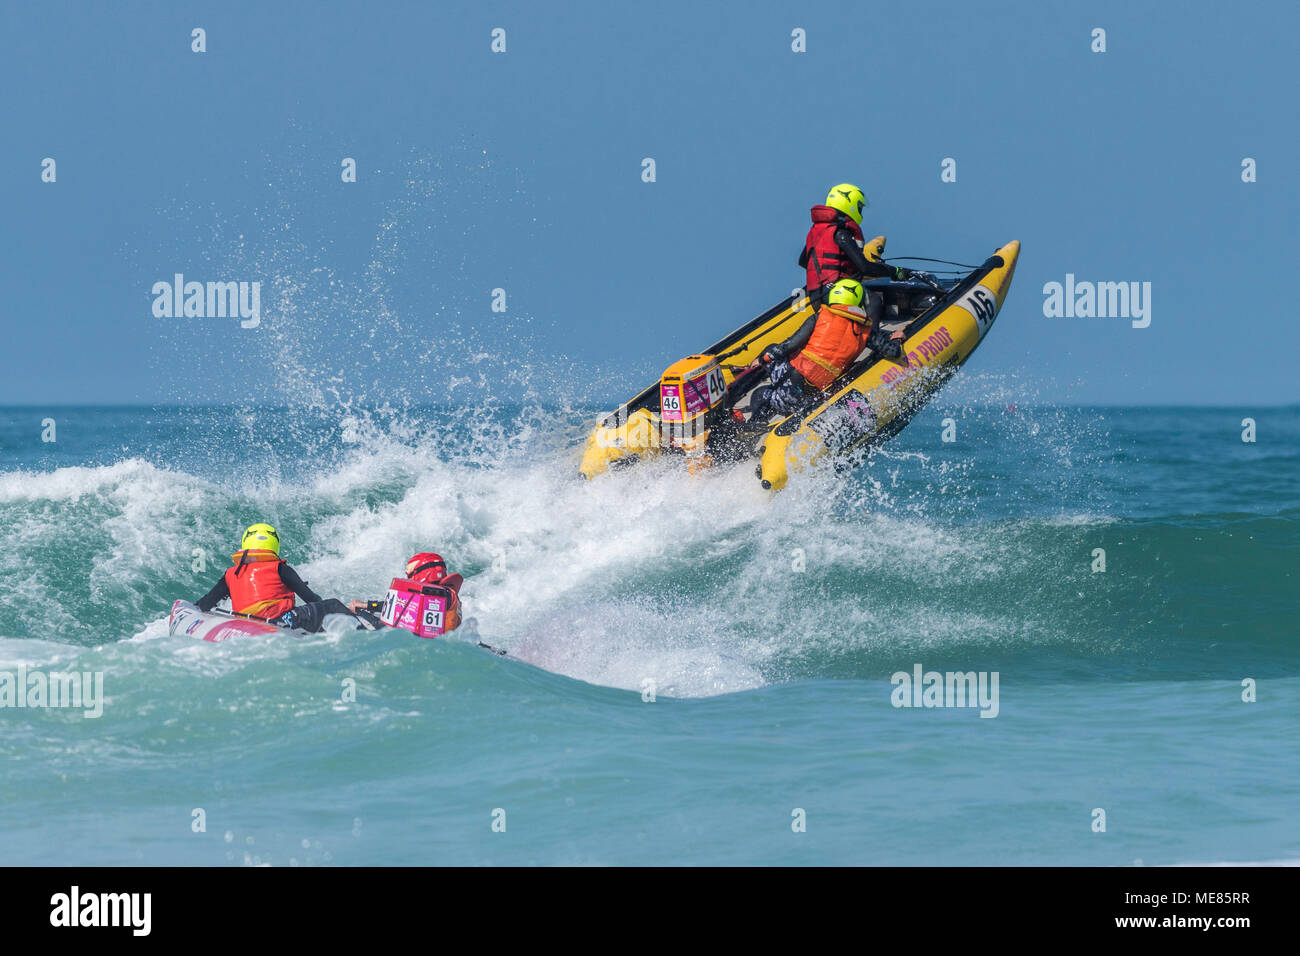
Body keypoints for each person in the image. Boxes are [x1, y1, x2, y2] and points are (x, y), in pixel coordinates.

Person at [748, 278, 902, 421]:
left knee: (760, 392)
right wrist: (897, 338)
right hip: (813, 394)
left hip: (790, 385)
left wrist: (763, 359)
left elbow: (790, 345)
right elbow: (893, 351)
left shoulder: (820, 317)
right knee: (778, 388)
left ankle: (752, 402)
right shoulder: (866, 333)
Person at [194, 523, 374, 632]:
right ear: (274, 544)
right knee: (332, 604)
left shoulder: (231, 573)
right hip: (281, 622)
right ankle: (368, 635)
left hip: (249, 625)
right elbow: (312, 599)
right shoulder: (279, 568)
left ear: (246, 543)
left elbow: (205, 604)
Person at [800, 183, 913, 298]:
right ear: (849, 204)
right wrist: (895, 272)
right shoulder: (840, 232)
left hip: (815, 293)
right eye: (859, 207)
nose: (860, 210)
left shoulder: (817, 231)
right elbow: (864, 267)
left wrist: (823, 275)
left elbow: (803, 261)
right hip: (836, 291)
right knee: (875, 300)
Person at [348, 552, 463, 632]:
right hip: (426, 645)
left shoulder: (436, 594)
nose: (408, 576)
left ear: (424, 572)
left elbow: (398, 606)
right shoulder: (448, 594)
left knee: (332, 604)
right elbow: (398, 606)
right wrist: (368, 605)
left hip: (403, 642)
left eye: (410, 572)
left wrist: (366, 606)